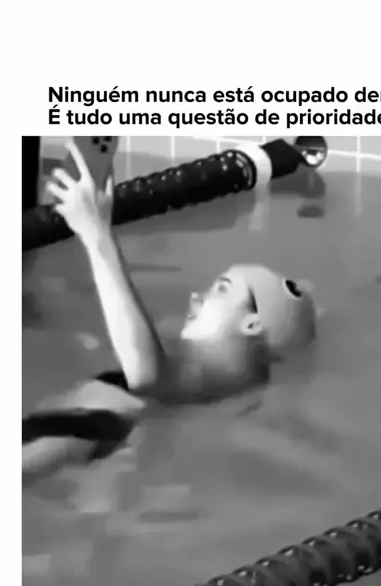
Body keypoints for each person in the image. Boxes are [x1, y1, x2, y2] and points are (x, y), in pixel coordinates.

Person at [23, 140, 317, 480]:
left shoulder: (227, 367)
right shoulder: (218, 366)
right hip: (84, 421)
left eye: (221, 290)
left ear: (252, 323)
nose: (197, 297)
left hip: (88, 426)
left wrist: (96, 233)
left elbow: (147, 375)